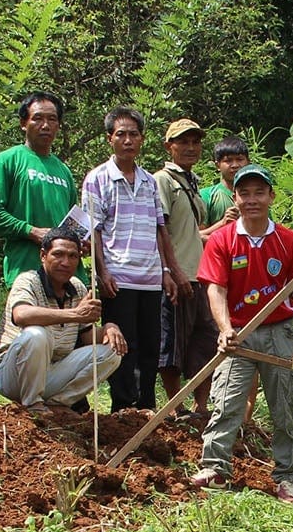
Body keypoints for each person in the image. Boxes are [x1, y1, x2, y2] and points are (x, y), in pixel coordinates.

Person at [189, 165, 293, 503]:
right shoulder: (223, 239)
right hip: (238, 331)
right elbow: (216, 290)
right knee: (226, 401)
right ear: (235, 197)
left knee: (283, 406)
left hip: (277, 331)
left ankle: (287, 477)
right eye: (245, 193)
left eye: (259, 192)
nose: (252, 199)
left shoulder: (287, 239)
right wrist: (225, 330)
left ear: (271, 196)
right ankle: (216, 468)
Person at [82, 106, 182, 410]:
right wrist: (103, 271)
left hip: (150, 278)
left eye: (134, 134)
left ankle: (147, 407)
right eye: (121, 134)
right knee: (122, 346)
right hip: (118, 277)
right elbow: (93, 231)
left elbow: (159, 229)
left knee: (150, 347)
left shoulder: (149, 182)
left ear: (142, 139)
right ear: (110, 138)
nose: (128, 140)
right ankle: (124, 408)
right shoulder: (97, 179)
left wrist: (166, 271)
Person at [0, 227, 126, 412]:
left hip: (50, 372)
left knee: (112, 351)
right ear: (43, 256)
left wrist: (110, 328)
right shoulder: (28, 281)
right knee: (36, 334)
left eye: (72, 256)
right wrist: (76, 314)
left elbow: (88, 338)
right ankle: (33, 405)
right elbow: (21, 315)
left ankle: (59, 403)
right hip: (12, 374)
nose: (65, 262)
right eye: (58, 254)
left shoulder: (77, 287)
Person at [0, 92, 78, 291]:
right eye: (38, 118)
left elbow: (72, 218)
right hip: (25, 269)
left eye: (52, 119)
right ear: (23, 123)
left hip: (66, 275)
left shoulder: (63, 170)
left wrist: (78, 241)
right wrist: (31, 231)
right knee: (29, 322)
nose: (45, 125)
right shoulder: (7, 161)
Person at [154, 118, 217, 416]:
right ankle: (175, 405)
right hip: (178, 275)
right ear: (169, 146)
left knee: (203, 341)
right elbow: (160, 228)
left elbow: (194, 232)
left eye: (195, 141)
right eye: (183, 142)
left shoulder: (192, 183)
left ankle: (200, 406)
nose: (190, 147)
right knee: (173, 344)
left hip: (200, 275)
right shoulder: (163, 180)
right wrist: (172, 271)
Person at [201, 135, 249, 235]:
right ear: (217, 165)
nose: (235, 165)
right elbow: (196, 236)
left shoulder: (257, 196)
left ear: (248, 162)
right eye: (228, 160)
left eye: (240, 159)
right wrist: (222, 223)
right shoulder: (206, 195)